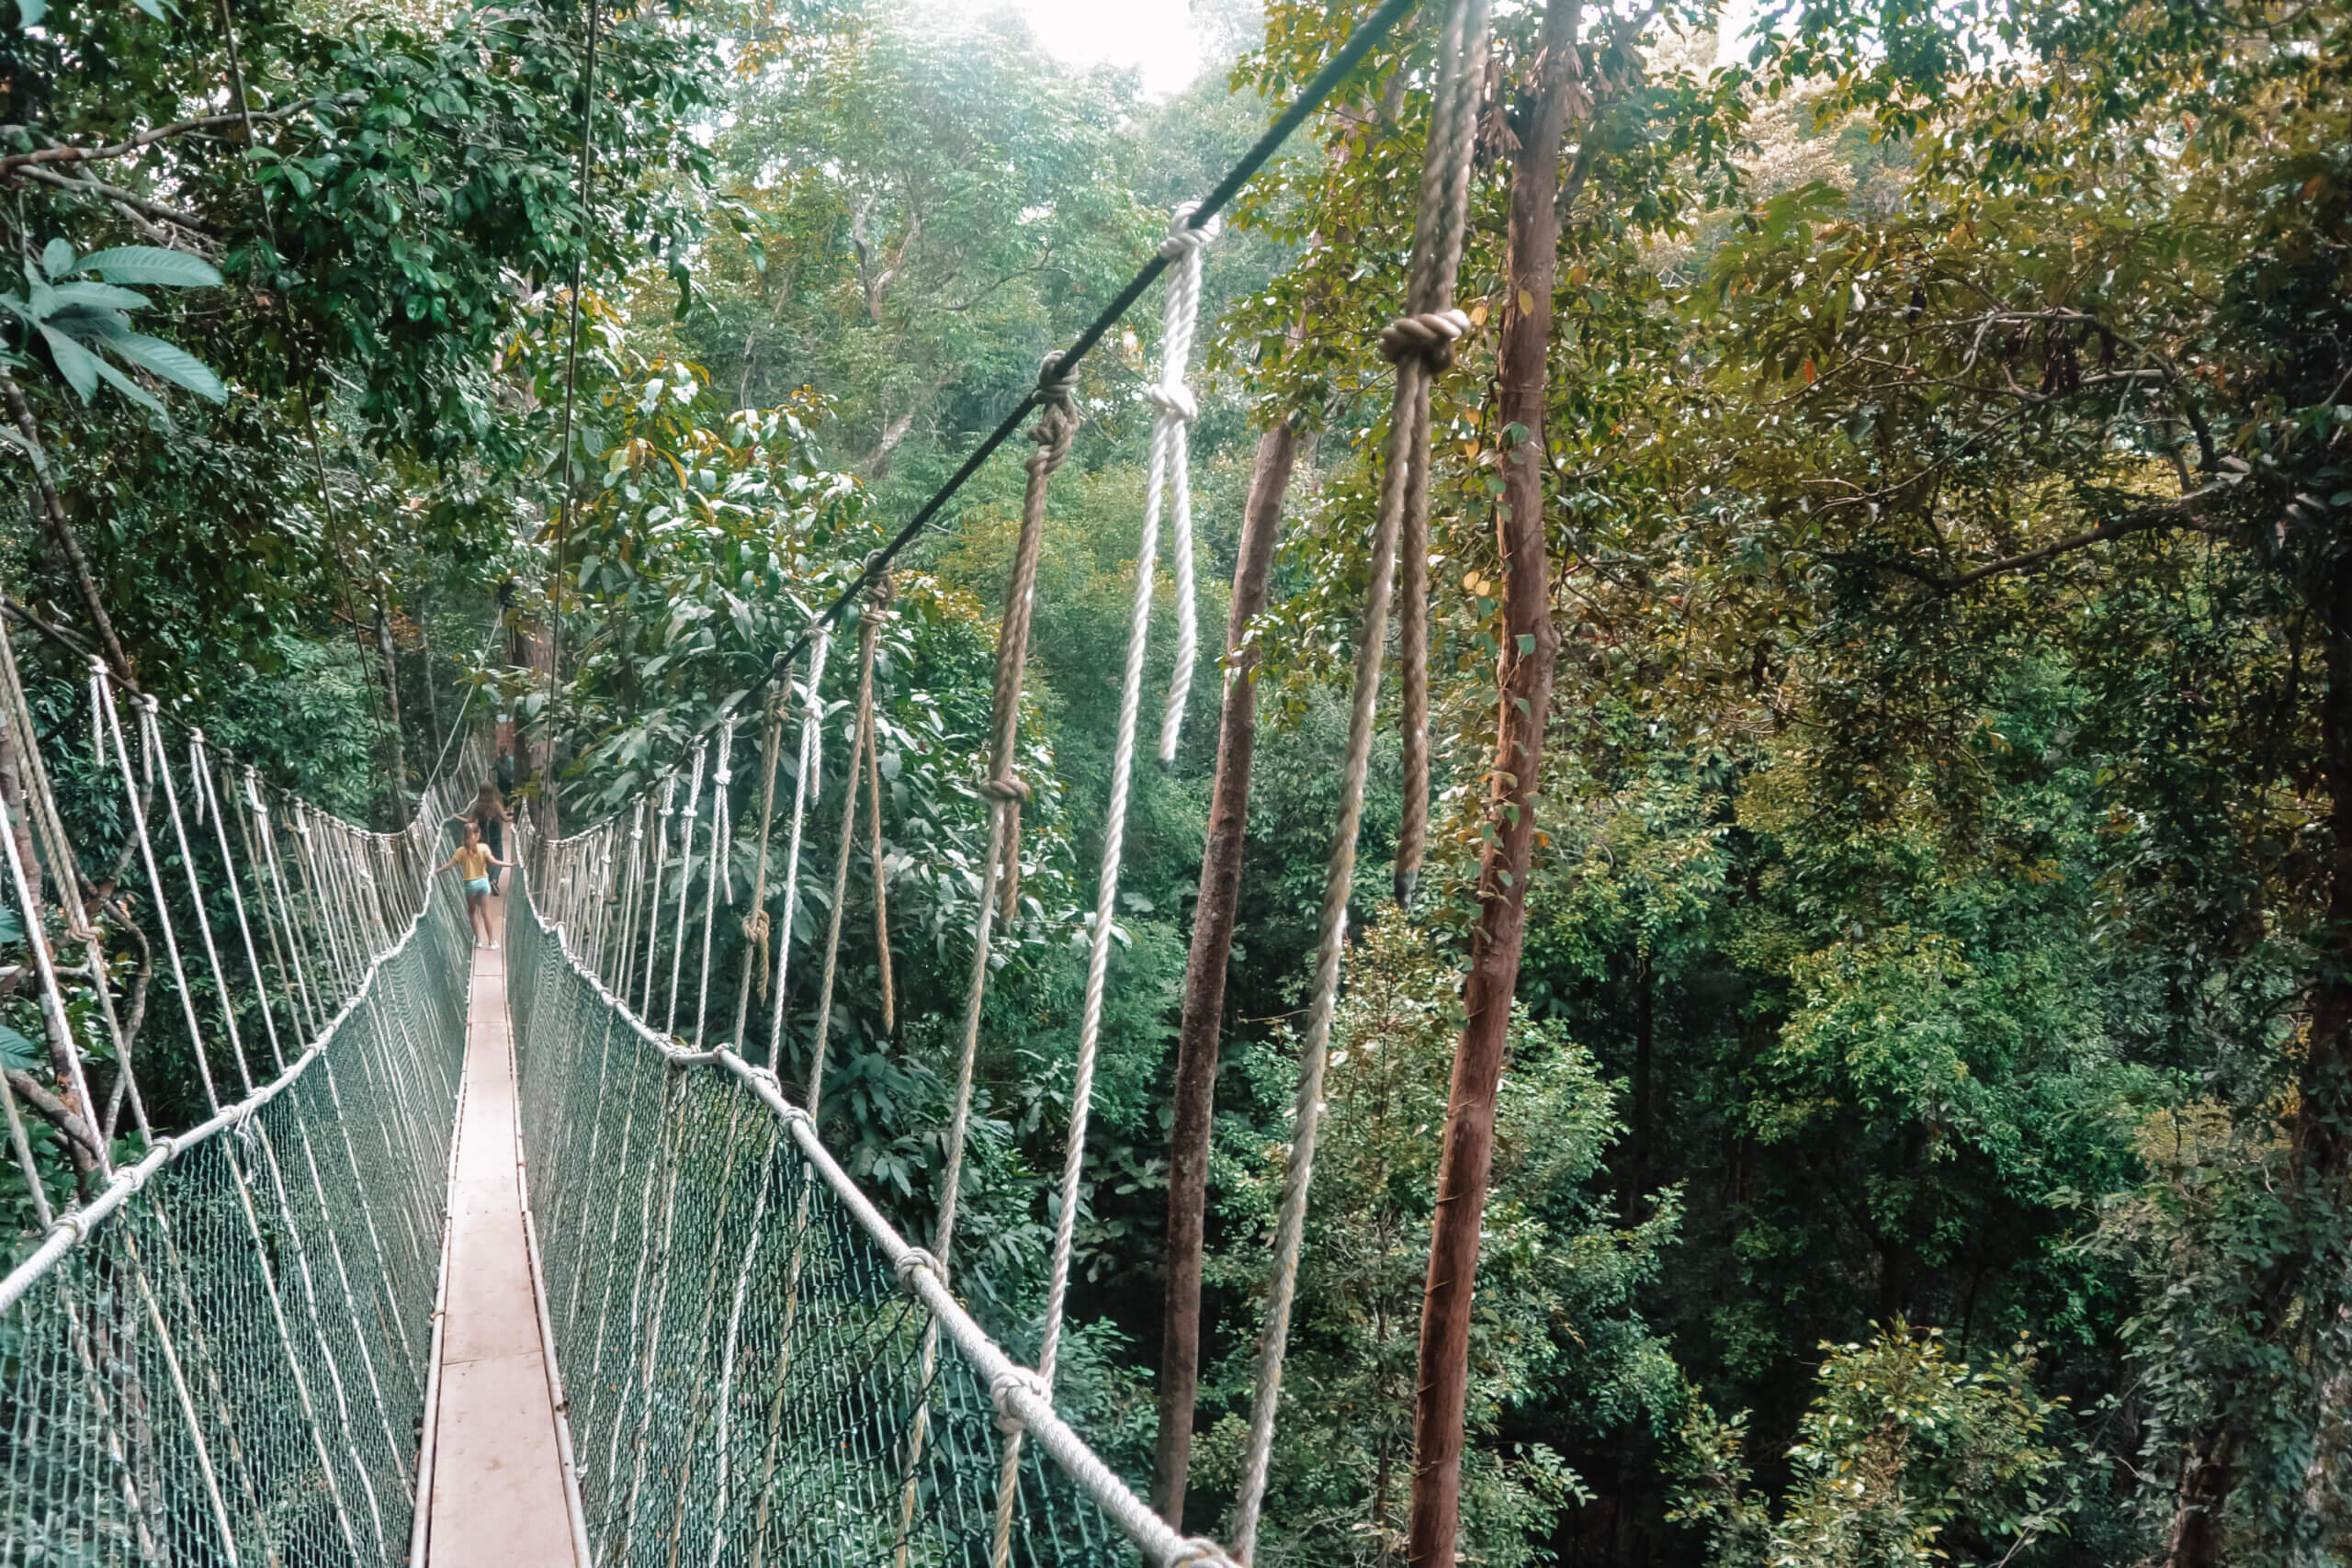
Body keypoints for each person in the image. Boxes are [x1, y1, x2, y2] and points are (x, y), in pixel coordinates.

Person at [435, 820, 512, 950]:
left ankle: (478, 941)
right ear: (478, 834)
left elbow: (449, 865)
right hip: (483, 883)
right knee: (485, 912)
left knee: (472, 913)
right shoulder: (483, 848)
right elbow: (494, 861)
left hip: (470, 886)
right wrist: (510, 865)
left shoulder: (460, 851)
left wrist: (438, 870)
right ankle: (492, 942)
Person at [467, 781, 512, 893]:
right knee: (499, 859)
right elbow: (505, 819)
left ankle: (486, 881)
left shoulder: (477, 806)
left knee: (485, 860)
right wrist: (514, 816)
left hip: (482, 838)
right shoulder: (496, 805)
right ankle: (494, 880)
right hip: (495, 837)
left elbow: (470, 822)